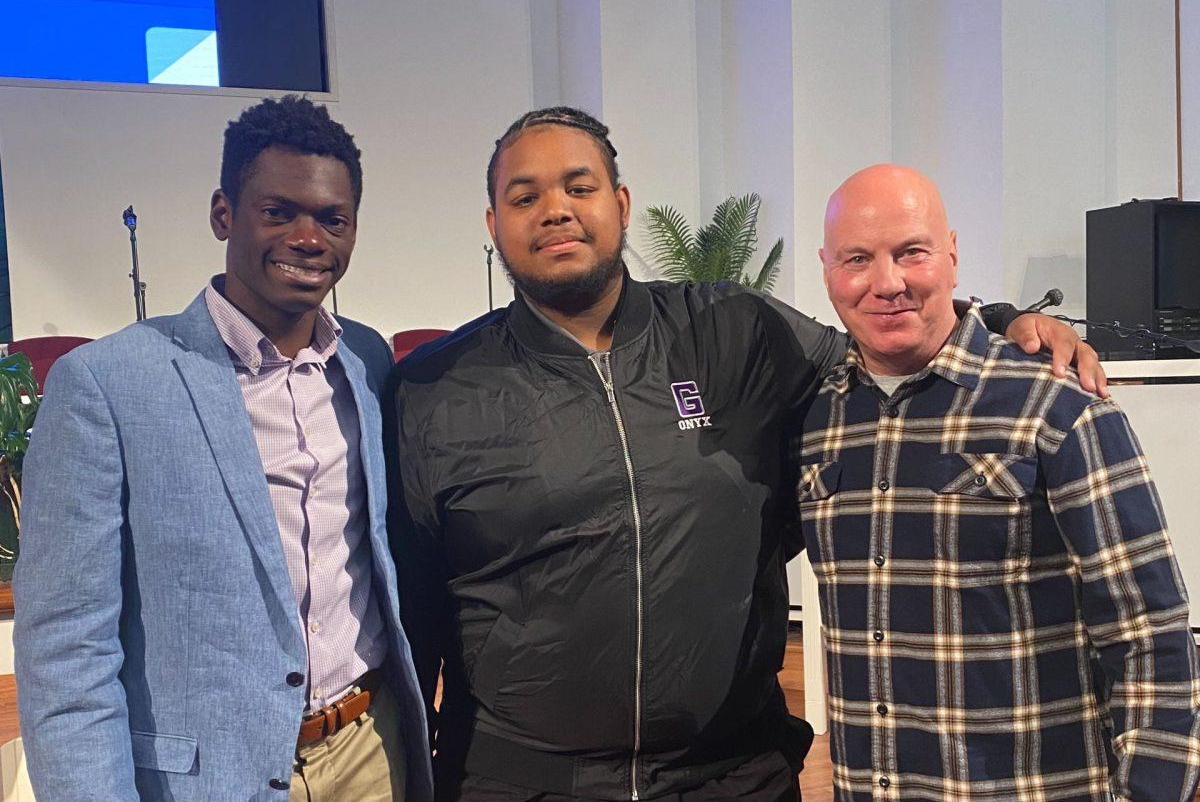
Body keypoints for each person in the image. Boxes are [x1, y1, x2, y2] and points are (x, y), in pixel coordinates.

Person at [388, 107, 1105, 801]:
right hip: (519, 781)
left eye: (580, 186)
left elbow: (880, 342)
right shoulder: (433, 390)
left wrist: (1005, 322)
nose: (556, 209)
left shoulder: (732, 331)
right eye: (525, 195)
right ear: (492, 223)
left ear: (622, 202)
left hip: (729, 774)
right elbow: (408, 611)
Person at [14, 96, 433, 802]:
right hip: (208, 781)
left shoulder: (366, 361)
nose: (309, 237)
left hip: (372, 752)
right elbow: (65, 650)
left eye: (332, 218)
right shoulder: (107, 384)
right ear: (223, 214)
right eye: (279, 212)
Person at [798, 164, 1200, 801]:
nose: (887, 282)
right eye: (856, 259)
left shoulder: (1058, 406)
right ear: (826, 269)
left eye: (911, 253)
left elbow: (1149, 633)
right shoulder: (815, 418)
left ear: (952, 255)